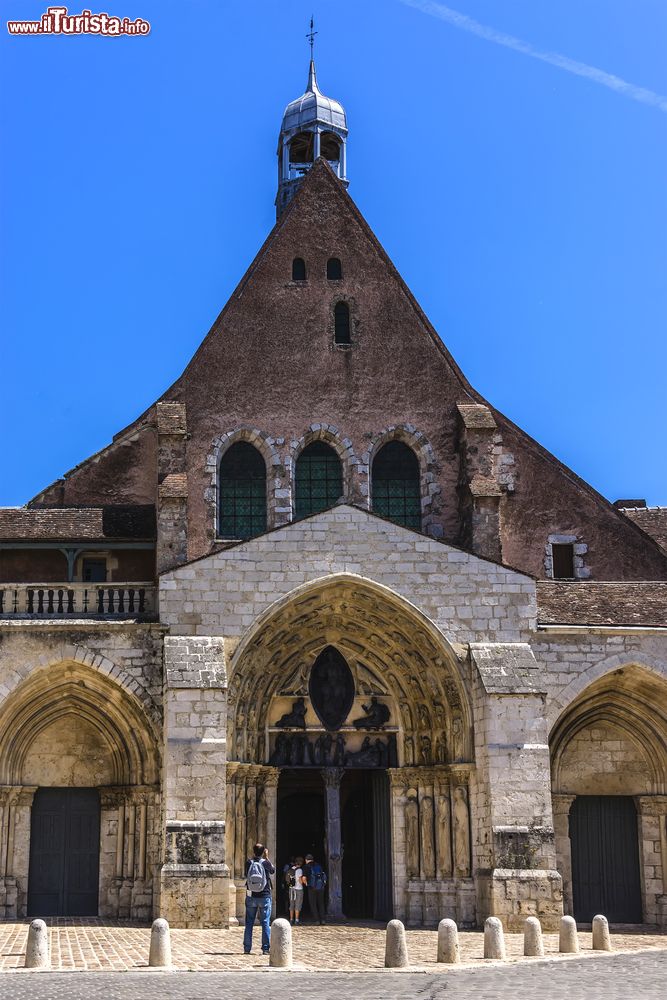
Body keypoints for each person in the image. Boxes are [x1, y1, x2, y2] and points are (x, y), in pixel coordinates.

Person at [243, 842, 275, 955]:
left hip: (251, 895)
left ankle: (247, 948)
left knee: (249, 922)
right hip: (264, 896)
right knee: (265, 922)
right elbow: (272, 871)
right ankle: (265, 949)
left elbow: (246, 874)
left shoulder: (248, 863)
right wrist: (267, 857)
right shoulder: (266, 863)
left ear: (253, 851)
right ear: (263, 852)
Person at [303, 852, 327, 924]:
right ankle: (323, 920)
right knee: (321, 903)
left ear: (306, 860)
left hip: (312, 887)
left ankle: (316, 920)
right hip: (321, 887)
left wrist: (307, 884)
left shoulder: (306, 867)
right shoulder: (318, 865)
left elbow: (304, 878)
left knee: (313, 904)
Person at [286, 855, 305, 925]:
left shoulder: (291, 869)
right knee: (298, 904)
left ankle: (291, 919)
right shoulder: (300, 870)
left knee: (291, 904)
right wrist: (303, 882)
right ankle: (296, 920)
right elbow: (300, 881)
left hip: (291, 889)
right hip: (298, 889)